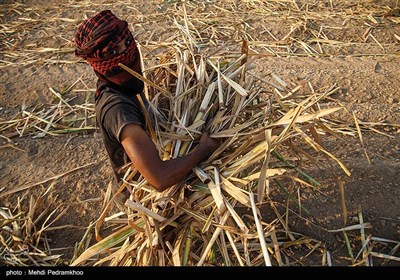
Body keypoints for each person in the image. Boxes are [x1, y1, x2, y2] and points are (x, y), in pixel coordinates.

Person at [73, 10, 219, 206]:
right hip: (144, 203)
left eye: (128, 42)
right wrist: (203, 150)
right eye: (114, 52)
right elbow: (159, 178)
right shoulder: (117, 108)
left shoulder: (127, 83)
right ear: (98, 63)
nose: (127, 53)